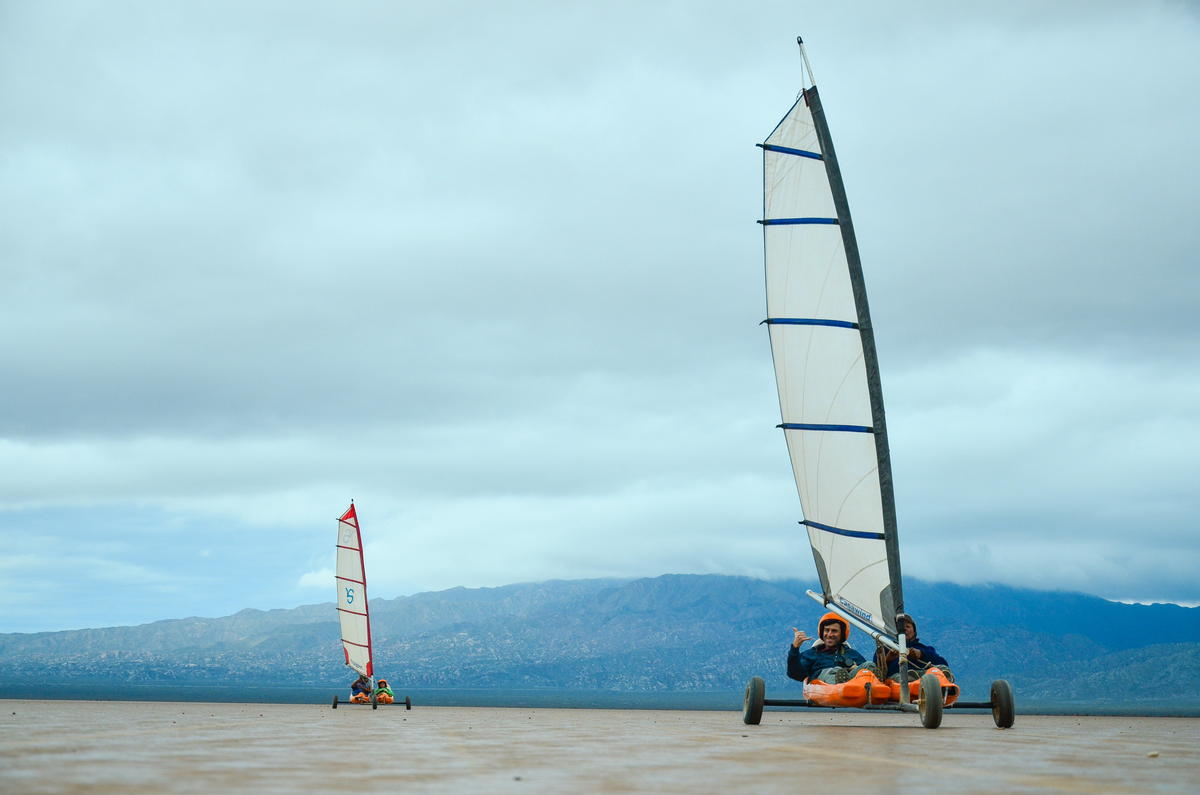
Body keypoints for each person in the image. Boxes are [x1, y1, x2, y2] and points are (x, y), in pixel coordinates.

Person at [787, 612, 882, 685]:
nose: (829, 634)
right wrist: (795, 648)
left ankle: (875, 685)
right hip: (825, 680)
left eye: (834, 631)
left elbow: (861, 669)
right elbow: (796, 674)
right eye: (827, 630)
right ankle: (840, 681)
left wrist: (855, 668)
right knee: (834, 671)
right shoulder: (811, 654)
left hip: (851, 681)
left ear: (842, 634)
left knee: (869, 665)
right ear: (822, 632)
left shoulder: (852, 654)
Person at [879, 613, 952, 682]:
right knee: (904, 677)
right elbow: (876, 671)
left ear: (914, 631)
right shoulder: (886, 648)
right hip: (898, 675)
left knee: (942, 669)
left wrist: (921, 655)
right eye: (900, 627)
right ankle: (911, 681)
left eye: (907, 626)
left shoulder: (924, 648)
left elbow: (943, 663)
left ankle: (945, 687)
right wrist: (887, 660)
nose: (904, 629)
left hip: (925, 674)